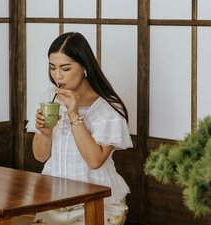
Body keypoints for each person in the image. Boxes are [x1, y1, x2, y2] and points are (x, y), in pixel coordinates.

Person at [29, 32, 133, 225]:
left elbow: (95, 161)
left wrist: (74, 114)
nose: (57, 75)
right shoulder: (50, 96)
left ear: (85, 67)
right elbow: (40, 156)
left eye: (65, 68)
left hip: (97, 203)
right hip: (53, 199)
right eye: (52, 68)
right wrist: (45, 132)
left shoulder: (107, 108)